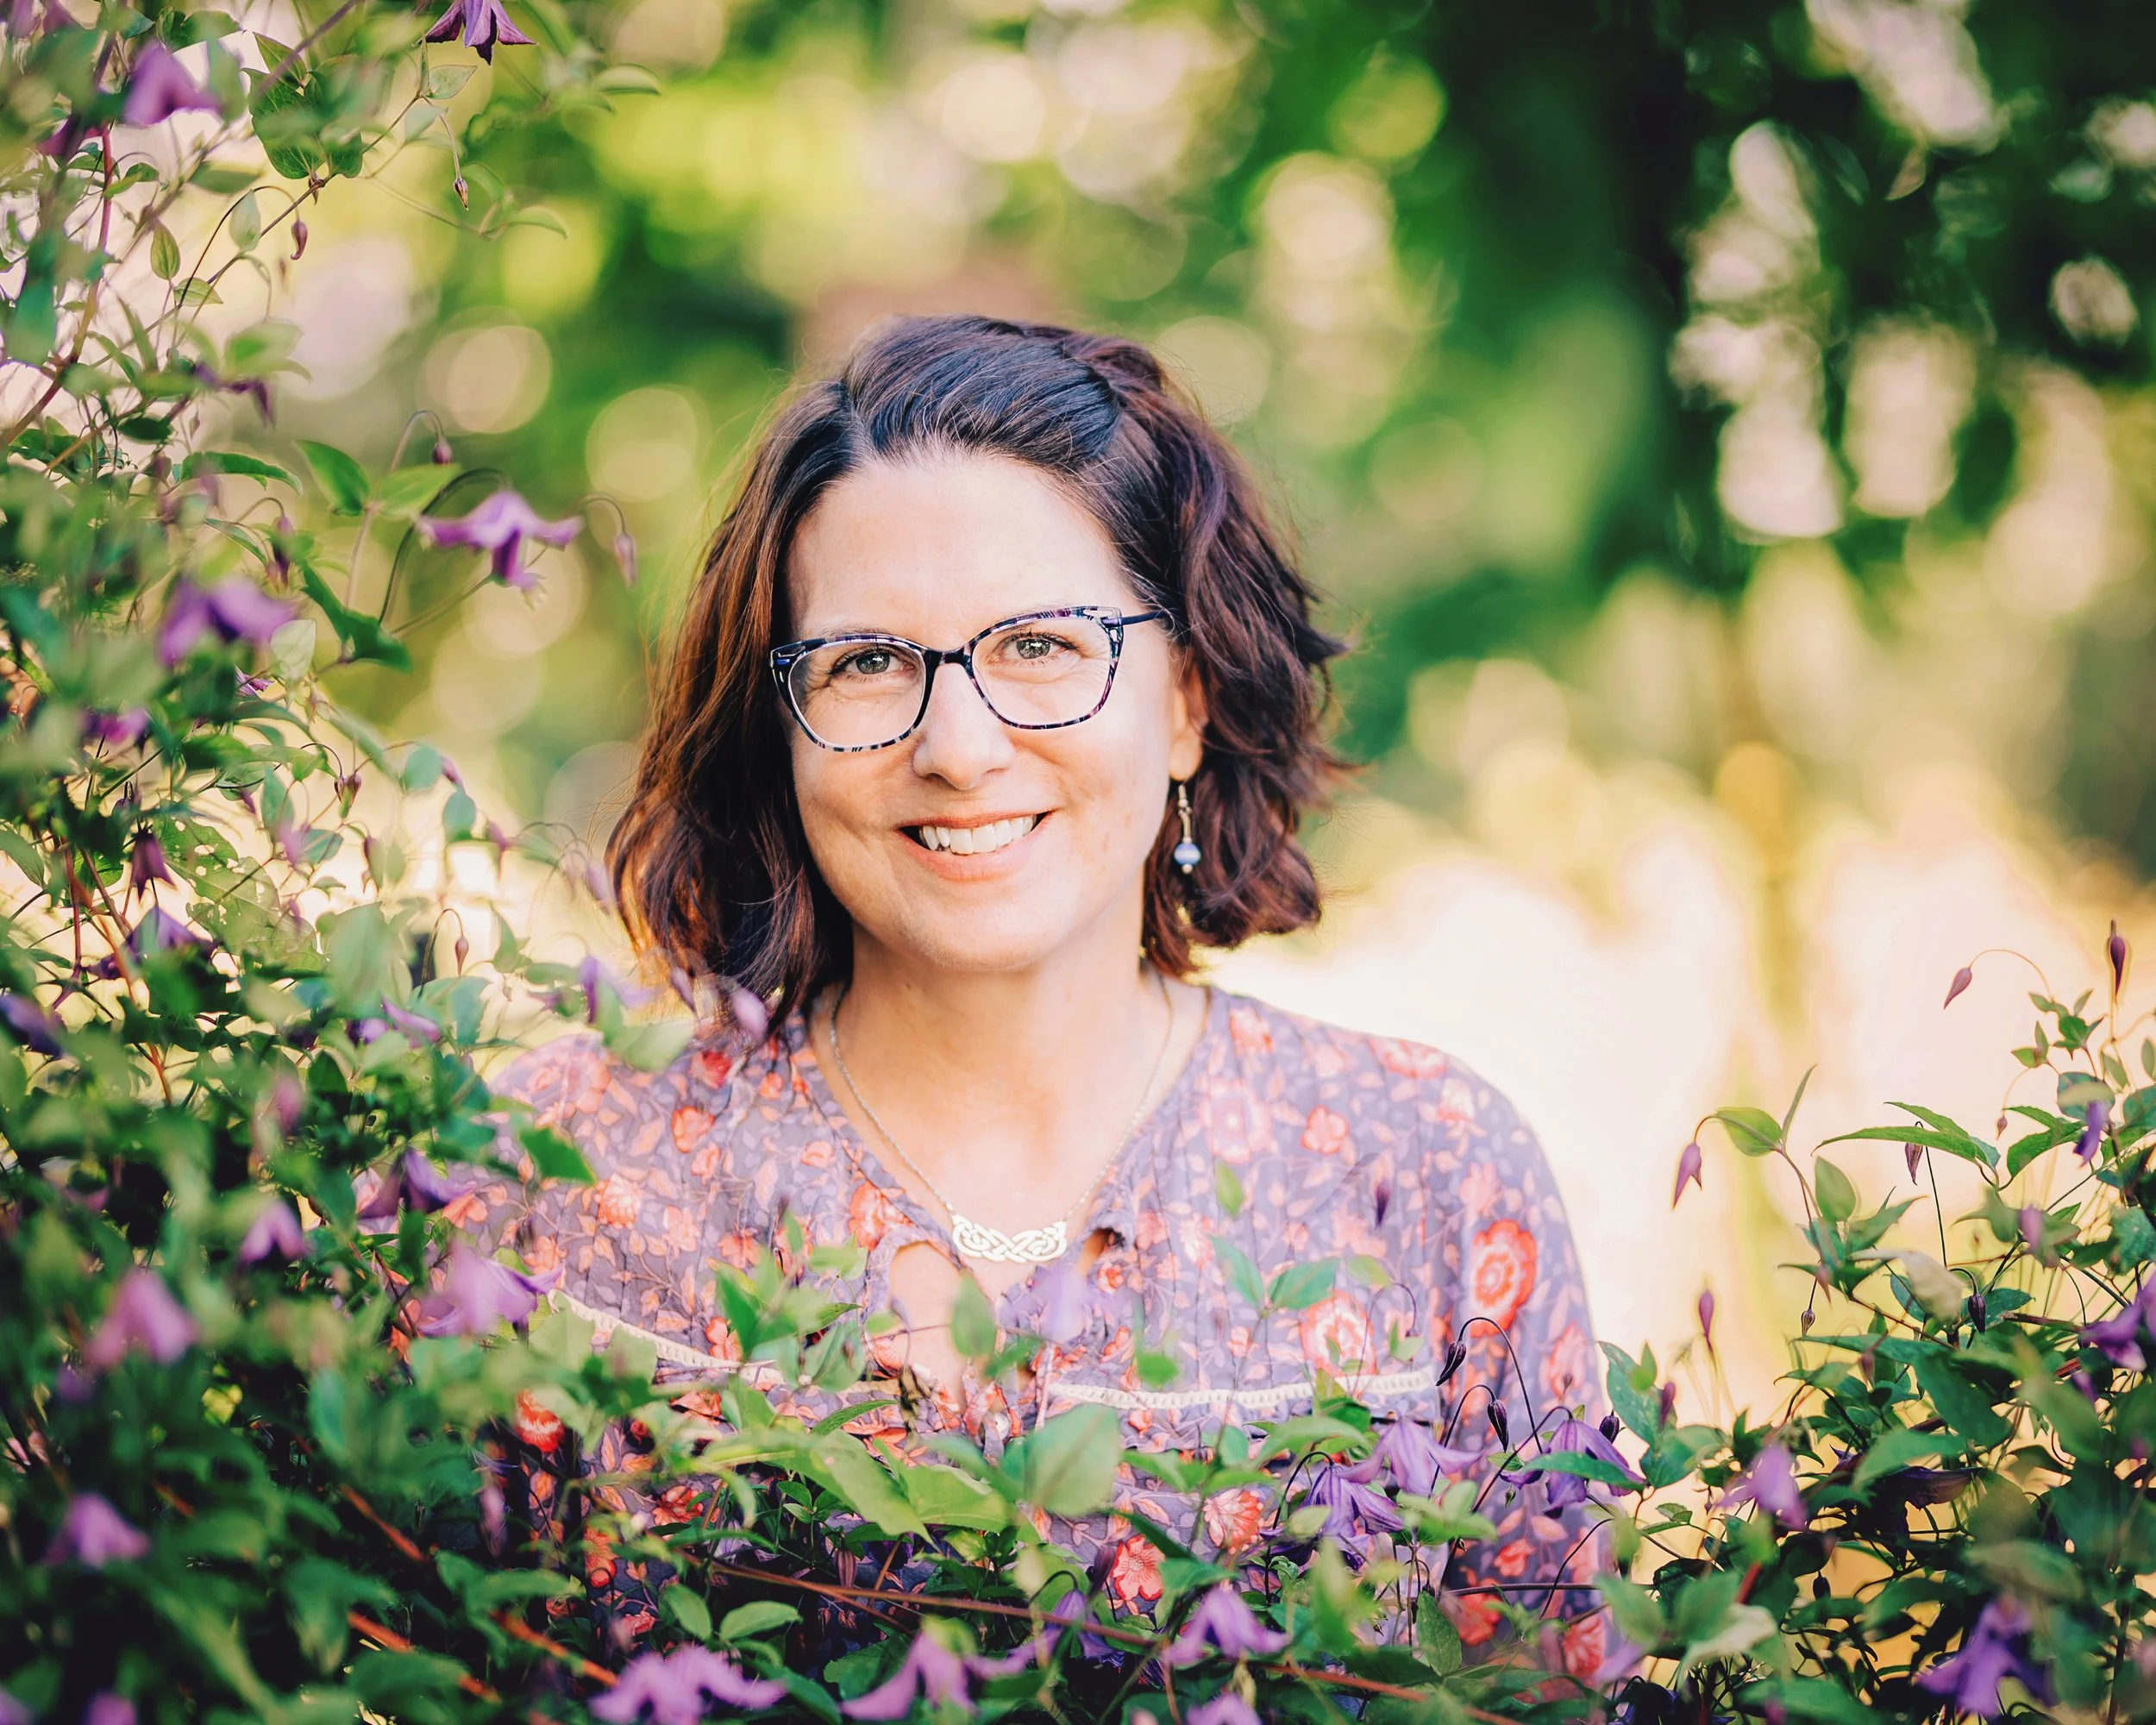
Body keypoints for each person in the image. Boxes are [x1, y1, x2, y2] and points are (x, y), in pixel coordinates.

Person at [473, 313, 1610, 1672]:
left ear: (1183, 699)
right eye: (866, 663)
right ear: (780, 732)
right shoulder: (554, 1181)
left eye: (1043, 648)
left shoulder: (1426, 1177)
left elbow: (1541, 1694)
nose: (956, 748)